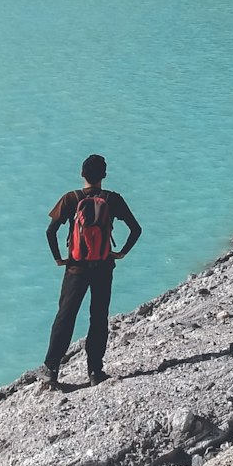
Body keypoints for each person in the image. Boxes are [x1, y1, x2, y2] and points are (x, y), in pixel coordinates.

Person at [41, 154, 141, 389]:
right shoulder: (113, 199)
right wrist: (121, 252)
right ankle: (95, 371)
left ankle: (51, 370)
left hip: (75, 267)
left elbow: (50, 231)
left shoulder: (70, 199)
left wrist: (59, 258)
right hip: (103, 267)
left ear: (81, 174)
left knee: (65, 316)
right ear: (104, 176)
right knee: (98, 317)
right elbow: (136, 229)